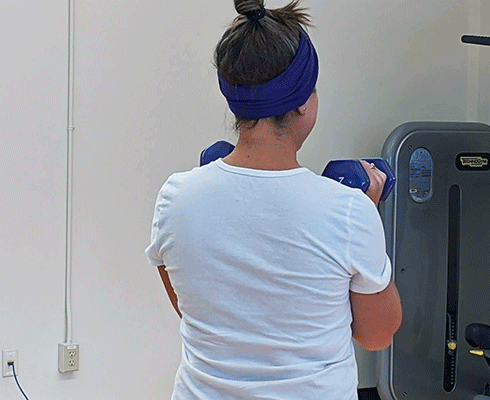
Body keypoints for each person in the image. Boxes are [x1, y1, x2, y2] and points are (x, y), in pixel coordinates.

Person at [145, 1, 402, 399]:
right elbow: (376, 335)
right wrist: (365, 217)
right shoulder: (348, 211)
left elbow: (191, 308)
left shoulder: (176, 198)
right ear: (303, 101)